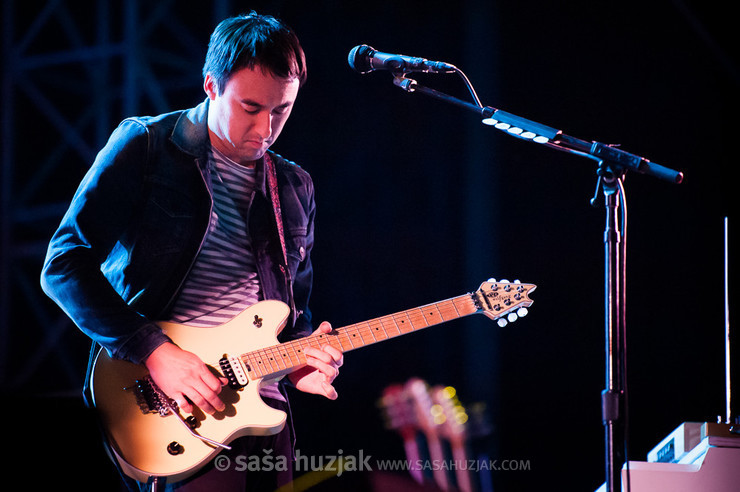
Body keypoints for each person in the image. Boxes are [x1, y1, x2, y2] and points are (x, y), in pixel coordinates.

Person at [40, 12, 343, 492]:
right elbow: (62, 264)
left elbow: (292, 314)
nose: (265, 128)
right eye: (250, 107)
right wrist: (153, 350)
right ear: (210, 86)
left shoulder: (293, 185)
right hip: (169, 403)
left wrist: (301, 364)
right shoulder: (146, 145)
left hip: (264, 414)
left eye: (282, 111)